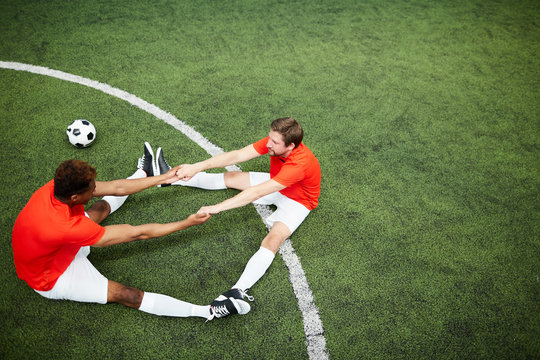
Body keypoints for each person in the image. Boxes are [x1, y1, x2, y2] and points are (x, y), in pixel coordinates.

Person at [11, 144, 251, 321]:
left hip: (58, 245)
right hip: (50, 277)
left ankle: (145, 170)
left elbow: (116, 187)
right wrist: (186, 222)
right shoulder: (66, 226)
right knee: (128, 295)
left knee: (101, 207)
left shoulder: (55, 187)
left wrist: (165, 177)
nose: (96, 188)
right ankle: (208, 312)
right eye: (92, 188)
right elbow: (137, 234)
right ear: (74, 197)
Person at [154, 117, 321, 318]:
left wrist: (218, 207)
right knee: (231, 177)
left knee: (273, 239)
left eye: (275, 142)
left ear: (291, 146)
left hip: (299, 201)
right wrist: (196, 166)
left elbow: (256, 193)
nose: (268, 144)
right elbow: (237, 155)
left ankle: (237, 291)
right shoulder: (275, 143)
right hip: (278, 183)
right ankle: (168, 177)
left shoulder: (299, 165)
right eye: (270, 138)